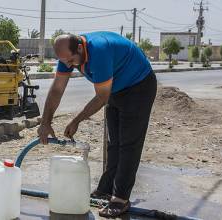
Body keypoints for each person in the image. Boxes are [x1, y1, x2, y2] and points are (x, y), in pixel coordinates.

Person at [37, 32, 157, 217]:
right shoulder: (68, 56)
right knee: (113, 143)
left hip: (138, 86)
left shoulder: (99, 51)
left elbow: (102, 97)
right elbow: (57, 89)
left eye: (71, 61)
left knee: (128, 144)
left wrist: (77, 120)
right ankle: (106, 188)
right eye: (65, 62)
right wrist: (45, 122)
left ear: (79, 47)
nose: (69, 65)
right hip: (116, 87)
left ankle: (120, 199)